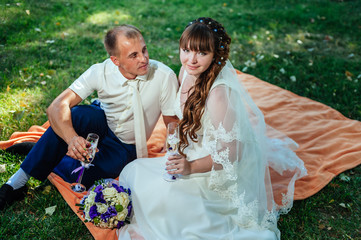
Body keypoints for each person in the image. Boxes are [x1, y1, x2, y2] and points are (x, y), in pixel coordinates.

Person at [117, 17, 307, 239]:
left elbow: (233, 152)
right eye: (186, 50)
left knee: (164, 201)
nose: (192, 59)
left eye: (202, 53)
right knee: (134, 171)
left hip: (213, 167)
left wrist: (190, 167)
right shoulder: (186, 71)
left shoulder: (218, 95)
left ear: (215, 55)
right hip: (191, 152)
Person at [0, 24, 179, 210]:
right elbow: (56, 106)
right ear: (115, 60)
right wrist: (71, 139)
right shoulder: (100, 71)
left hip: (125, 144)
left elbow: (172, 122)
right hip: (100, 122)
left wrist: (176, 152)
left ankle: (40, 150)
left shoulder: (164, 76)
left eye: (144, 50)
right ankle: (15, 183)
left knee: (78, 175)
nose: (144, 59)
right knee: (75, 114)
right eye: (133, 55)